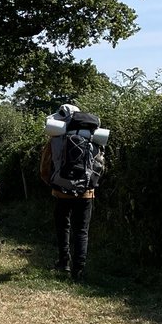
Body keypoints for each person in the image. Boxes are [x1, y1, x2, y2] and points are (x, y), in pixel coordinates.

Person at [39, 103, 106, 282]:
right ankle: (79, 271)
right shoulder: (93, 137)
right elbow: (100, 166)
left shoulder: (57, 138)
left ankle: (64, 262)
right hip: (86, 193)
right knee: (82, 231)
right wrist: (91, 185)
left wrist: (54, 183)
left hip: (61, 191)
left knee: (63, 226)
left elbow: (45, 166)